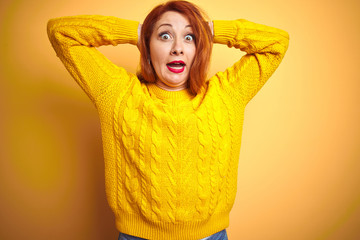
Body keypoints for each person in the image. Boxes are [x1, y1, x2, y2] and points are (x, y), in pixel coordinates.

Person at [47, 0, 289, 239]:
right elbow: (61, 33)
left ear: (199, 48)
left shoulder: (226, 94)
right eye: (164, 36)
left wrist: (212, 30)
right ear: (147, 46)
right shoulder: (117, 93)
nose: (177, 48)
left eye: (190, 37)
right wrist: (137, 32)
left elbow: (277, 42)